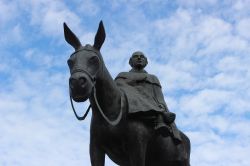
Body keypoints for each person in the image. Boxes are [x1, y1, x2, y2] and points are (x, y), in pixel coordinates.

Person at [115, 51, 182, 144]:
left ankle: (160, 116)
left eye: (142, 57)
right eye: (136, 56)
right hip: (127, 105)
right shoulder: (122, 75)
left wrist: (162, 107)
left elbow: (159, 96)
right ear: (130, 61)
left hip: (151, 106)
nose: (139, 58)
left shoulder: (153, 78)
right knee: (130, 90)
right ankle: (159, 114)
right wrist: (135, 81)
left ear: (146, 62)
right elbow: (116, 89)